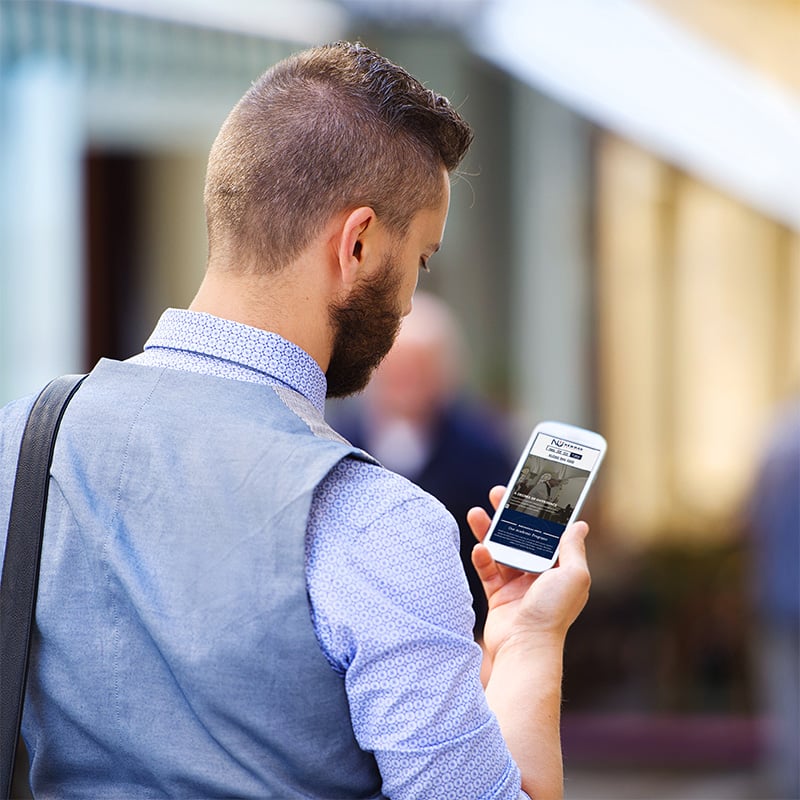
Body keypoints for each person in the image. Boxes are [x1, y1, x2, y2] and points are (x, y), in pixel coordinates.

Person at [0, 42, 592, 799]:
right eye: (421, 261)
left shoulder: (23, 442)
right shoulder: (376, 520)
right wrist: (530, 637)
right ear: (358, 244)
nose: (410, 301)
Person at [332, 291, 516, 639]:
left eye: (419, 367)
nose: (406, 380)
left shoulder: (482, 449)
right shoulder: (334, 440)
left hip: (459, 634)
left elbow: (498, 548)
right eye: (397, 367)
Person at [745, 400, 800, 799]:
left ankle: (790, 778)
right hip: (780, 591)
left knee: (786, 697)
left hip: (779, 592)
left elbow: (750, 518)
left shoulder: (777, 439)